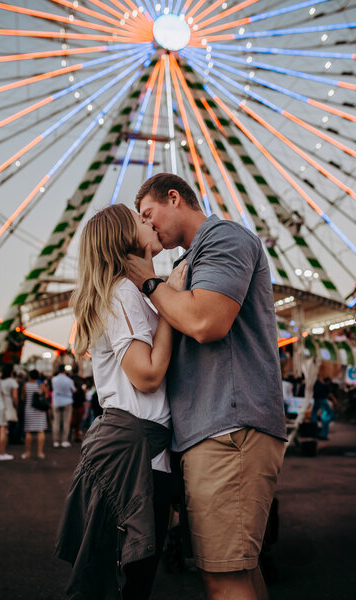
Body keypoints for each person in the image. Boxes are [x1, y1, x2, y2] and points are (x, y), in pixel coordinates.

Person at [128, 173, 287, 600]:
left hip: (228, 427)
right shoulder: (189, 262)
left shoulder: (224, 237)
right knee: (239, 572)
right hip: (216, 428)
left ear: (174, 198)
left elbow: (206, 322)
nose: (147, 225)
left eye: (148, 213)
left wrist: (148, 282)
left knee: (224, 579)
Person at [55, 204, 187, 600]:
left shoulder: (123, 293)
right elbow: (146, 375)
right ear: (125, 239)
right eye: (141, 221)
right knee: (132, 581)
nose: (150, 223)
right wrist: (171, 302)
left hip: (133, 447)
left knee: (121, 578)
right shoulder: (125, 292)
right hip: (135, 456)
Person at [22, 369, 49, 460]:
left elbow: (23, 397)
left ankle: (27, 453)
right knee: (40, 431)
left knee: (28, 431)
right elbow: (46, 396)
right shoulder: (41, 385)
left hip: (29, 410)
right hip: (40, 410)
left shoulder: (26, 385)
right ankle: (40, 453)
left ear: (29, 376)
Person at [51, 364, 75, 448]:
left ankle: (56, 441)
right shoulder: (69, 380)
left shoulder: (54, 379)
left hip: (56, 401)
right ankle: (64, 441)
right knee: (66, 422)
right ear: (64, 370)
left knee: (56, 422)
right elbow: (73, 390)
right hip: (67, 401)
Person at [312, 373, 338, 441]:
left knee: (315, 414)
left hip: (317, 400)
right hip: (322, 400)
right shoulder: (324, 384)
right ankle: (323, 434)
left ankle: (315, 431)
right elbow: (329, 394)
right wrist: (334, 400)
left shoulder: (317, 382)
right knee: (328, 416)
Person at [70, 365, 86, 442]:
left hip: (72, 403)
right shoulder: (81, 380)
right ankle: (76, 436)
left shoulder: (69, 379)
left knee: (71, 421)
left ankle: (69, 435)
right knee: (78, 422)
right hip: (80, 403)